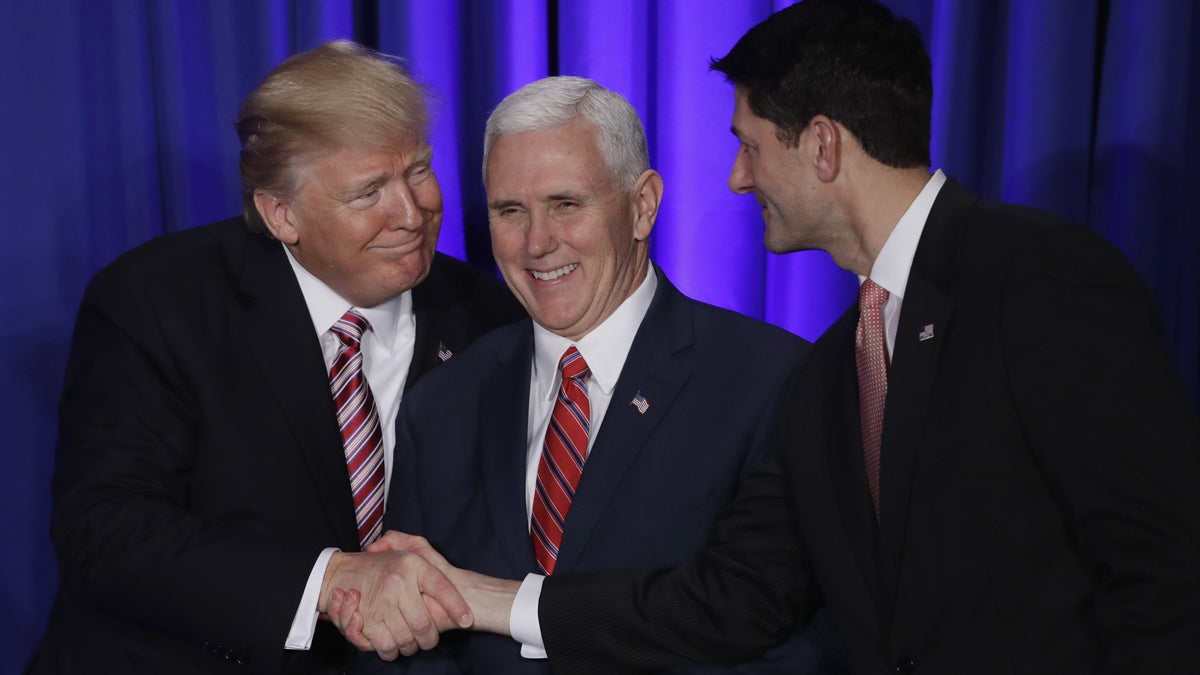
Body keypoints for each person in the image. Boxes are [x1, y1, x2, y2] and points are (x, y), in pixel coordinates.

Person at [327, 1, 1200, 673]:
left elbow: (1161, 565)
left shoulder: (1037, 275)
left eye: (748, 146)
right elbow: (734, 598)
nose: (739, 178)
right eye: (509, 210)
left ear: (821, 146)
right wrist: (479, 596)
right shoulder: (836, 368)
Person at [29, 40, 524, 674]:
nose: (412, 212)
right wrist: (330, 579)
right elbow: (105, 531)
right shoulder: (158, 303)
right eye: (369, 190)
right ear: (281, 213)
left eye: (418, 170)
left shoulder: (493, 318)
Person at [349, 76, 838, 674]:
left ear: (642, 206)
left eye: (566, 204)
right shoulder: (442, 402)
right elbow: (404, 637)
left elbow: (776, 630)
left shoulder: (772, 381)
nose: (537, 243)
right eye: (510, 211)